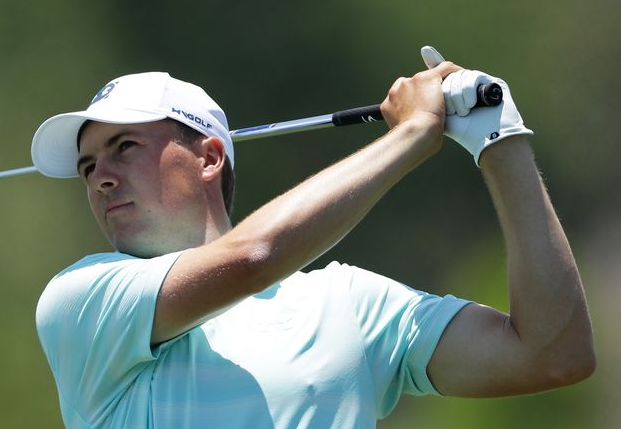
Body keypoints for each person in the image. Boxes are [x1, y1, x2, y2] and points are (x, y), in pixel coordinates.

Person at [30, 47, 595, 428]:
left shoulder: (348, 302)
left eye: (124, 147)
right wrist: (414, 135)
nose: (100, 176)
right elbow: (253, 257)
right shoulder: (81, 299)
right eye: (87, 166)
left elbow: (552, 355)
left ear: (208, 157)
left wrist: (500, 138)